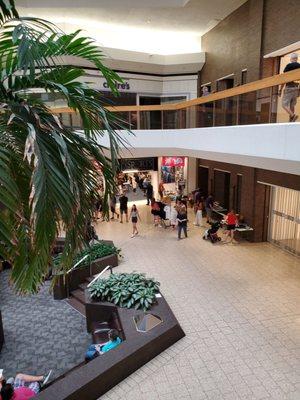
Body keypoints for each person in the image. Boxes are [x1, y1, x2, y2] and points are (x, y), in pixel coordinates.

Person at [279, 53, 300, 122]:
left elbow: (284, 78)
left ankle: (293, 115)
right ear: (296, 59)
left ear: (291, 59)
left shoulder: (289, 66)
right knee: (292, 105)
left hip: (289, 88)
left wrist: (280, 89)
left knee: (284, 104)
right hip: (296, 88)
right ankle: (292, 120)